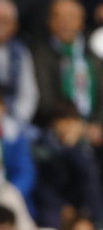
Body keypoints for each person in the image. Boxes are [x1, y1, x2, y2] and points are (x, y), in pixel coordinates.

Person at [33, 0, 102, 137]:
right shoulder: (39, 54)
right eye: (58, 17)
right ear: (50, 21)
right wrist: (70, 124)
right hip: (55, 126)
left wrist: (98, 124)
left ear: (81, 22)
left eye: (70, 17)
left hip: (94, 128)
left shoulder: (94, 54)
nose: (64, 22)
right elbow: (44, 99)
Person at [32, 100, 103, 230]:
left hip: (79, 204)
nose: (68, 126)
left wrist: (72, 148)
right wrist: (62, 207)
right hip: (52, 206)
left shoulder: (83, 146)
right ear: (54, 122)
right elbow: (41, 184)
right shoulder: (42, 146)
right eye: (64, 121)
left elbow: (89, 176)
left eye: (72, 121)